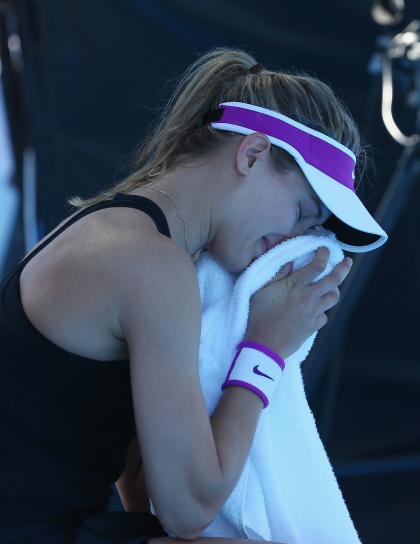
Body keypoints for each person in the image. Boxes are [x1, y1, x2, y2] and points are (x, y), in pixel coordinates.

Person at [0, 46, 387, 543]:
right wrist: (266, 347)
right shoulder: (150, 264)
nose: (293, 245)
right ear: (252, 154)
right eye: (301, 215)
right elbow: (188, 511)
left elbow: (141, 487)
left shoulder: (126, 230)